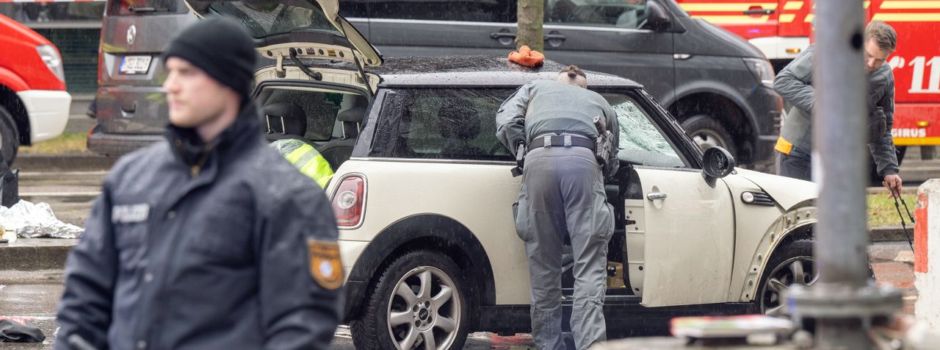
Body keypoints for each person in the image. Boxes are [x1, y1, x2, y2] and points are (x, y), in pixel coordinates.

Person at [54, 18, 343, 350]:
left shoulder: (287, 196)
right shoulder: (130, 179)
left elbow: (304, 323)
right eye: (171, 72)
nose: (171, 86)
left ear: (229, 83)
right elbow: (84, 297)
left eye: (187, 73)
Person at [496, 65, 620, 350]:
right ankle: (590, 345)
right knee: (588, 264)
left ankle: (549, 344)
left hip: (538, 160)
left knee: (544, 266)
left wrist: (522, 150)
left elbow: (506, 123)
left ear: (558, 81)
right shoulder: (600, 103)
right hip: (583, 164)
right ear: (583, 87)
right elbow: (612, 158)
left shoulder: (535, 88)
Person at [774, 20, 903, 194]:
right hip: (798, 152)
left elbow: (881, 128)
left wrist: (889, 169)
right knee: (796, 214)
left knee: (835, 218)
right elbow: (783, 81)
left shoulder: (884, 77)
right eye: (868, 55)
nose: (872, 64)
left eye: (879, 60)